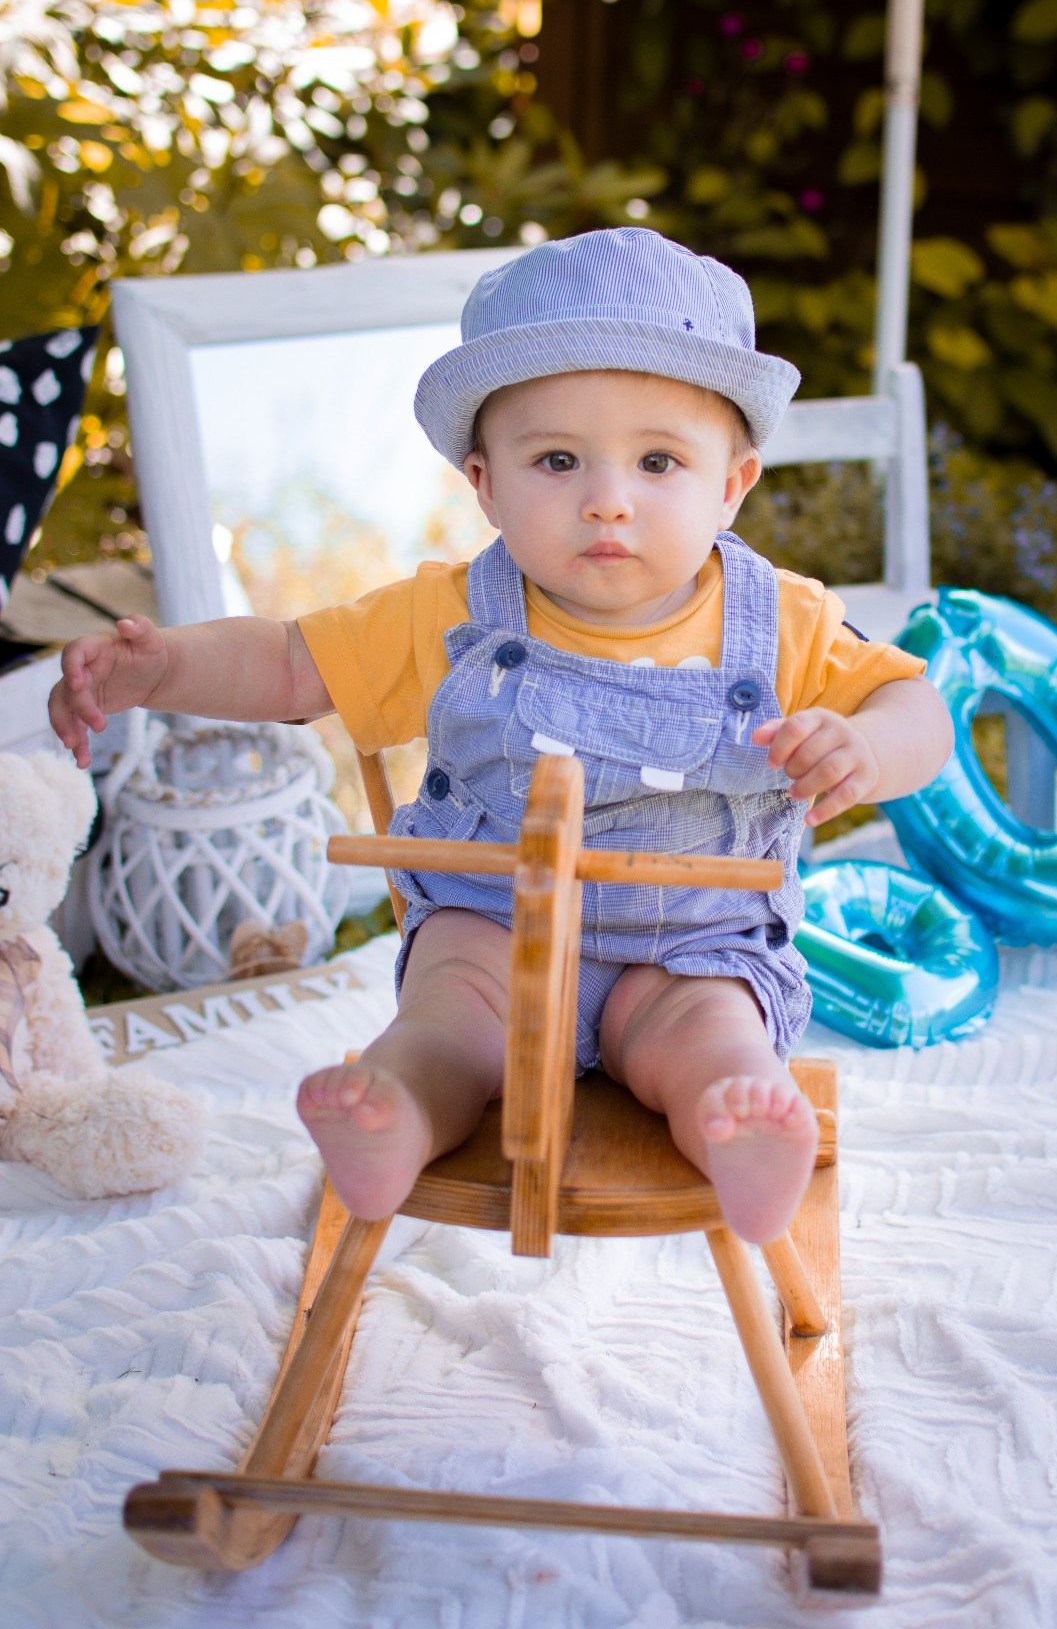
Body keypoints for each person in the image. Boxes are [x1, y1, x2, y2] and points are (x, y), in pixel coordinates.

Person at [50, 231, 952, 1243]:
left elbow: (915, 705)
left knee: (709, 1031)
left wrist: (868, 745)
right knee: (450, 1015)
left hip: (693, 944)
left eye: (658, 461)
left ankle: (737, 1121)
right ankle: (395, 1109)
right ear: (483, 482)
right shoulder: (452, 615)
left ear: (733, 481)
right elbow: (293, 663)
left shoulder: (780, 621)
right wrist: (162, 668)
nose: (607, 498)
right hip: (495, 928)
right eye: (556, 460)